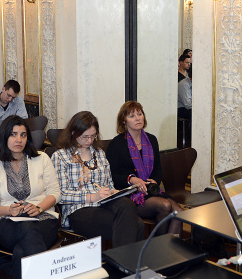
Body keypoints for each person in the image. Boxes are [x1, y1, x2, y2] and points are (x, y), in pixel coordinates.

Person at [0, 116, 61, 279]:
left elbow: (55, 193)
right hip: (8, 224)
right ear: (5, 137)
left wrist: (40, 207)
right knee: (25, 227)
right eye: (13, 135)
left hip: (43, 219)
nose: (19, 139)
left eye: (23, 135)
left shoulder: (41, 159)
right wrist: (8, 210)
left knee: (21, 251)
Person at [52, 111, 143, 247]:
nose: (89, 141)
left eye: (93, 136)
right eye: (85, 137)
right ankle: (126, 266)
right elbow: (61, 195)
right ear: (73, 133)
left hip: (104, 203)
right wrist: (92, 197)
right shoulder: (61, 156)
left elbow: (109, 184)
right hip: (79, 209)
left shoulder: (99, 153)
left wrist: (113, 192)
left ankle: (122, 265)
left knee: (127, 204)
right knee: (137, 225)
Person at [106, 101, 183, 235]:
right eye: (132, 116)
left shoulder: (151, 140)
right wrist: (131, 179)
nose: (137, 118)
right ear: (124, 121)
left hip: (151, 191)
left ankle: (167, 251)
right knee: (165, 206)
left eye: (139, 114)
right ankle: (158, 249)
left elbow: (158, 169)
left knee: (179, 213)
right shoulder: (117, 144)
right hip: (130, 196)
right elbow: (111, 176)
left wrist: (155, 181)